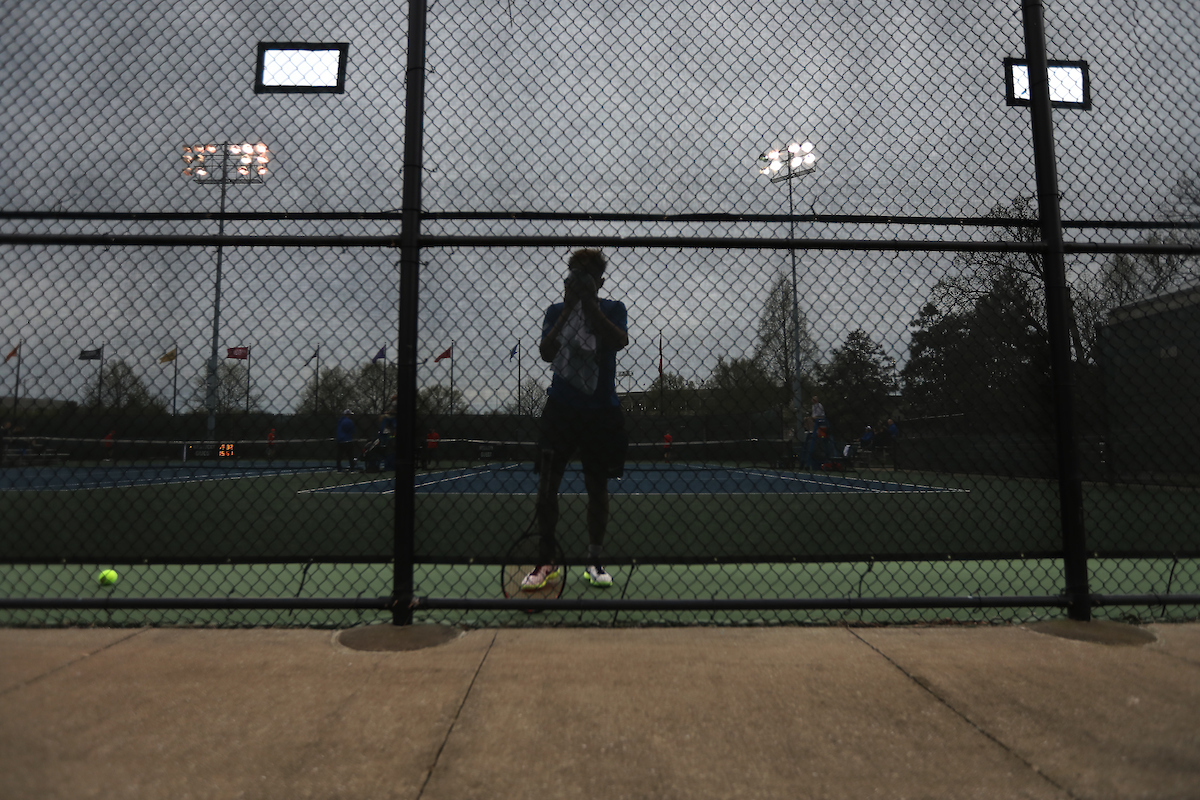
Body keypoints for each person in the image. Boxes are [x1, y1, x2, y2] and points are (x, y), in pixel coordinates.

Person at [522, 249, 628, 591]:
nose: (580, 282)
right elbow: (546, 352)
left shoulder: (613, 309)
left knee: (597, 486)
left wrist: (591, 307)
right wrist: (569, 308)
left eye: (586, 277)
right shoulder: (556, 311)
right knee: (547, 484)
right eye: (574, 276)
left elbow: (619, 341)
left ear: (599, 281)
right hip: (561, 408)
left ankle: (594, 560)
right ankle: (546, 560)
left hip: (600, 410)